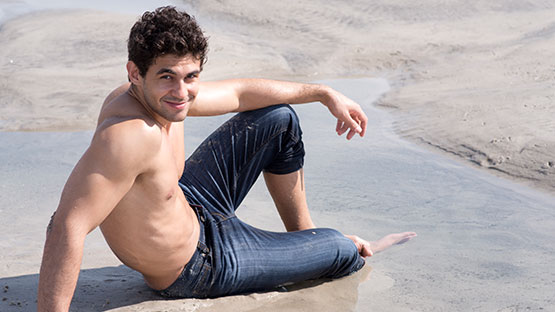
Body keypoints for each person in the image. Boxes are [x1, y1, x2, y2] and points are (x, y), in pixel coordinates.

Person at [37, 6, 416, 311]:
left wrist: (322, 92)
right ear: (135, 73)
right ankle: (324, 247)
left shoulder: (166, 97)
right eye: (166, 77)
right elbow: (66, 225)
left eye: (191, 76)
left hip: (195, 205)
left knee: (279, 118)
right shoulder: (128, 135)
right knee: (340, 249)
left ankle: (303, 239)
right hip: (199, 266)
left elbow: (239, 93)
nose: (182, 92)